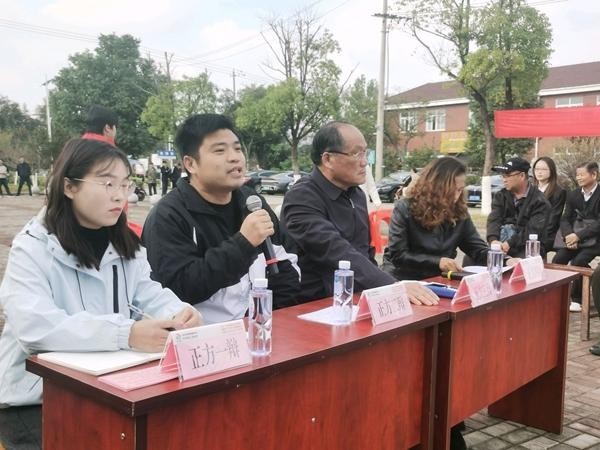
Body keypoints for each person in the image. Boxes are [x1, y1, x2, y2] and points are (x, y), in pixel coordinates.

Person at [0, 138, 201, 448]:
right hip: (36, 398)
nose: (120, 195)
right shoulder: (33, 246)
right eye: (108, 183)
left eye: (125, 184)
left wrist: (180, 314)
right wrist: (126, 334)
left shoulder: (125, 244)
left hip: (108, 388)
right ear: (69, 187)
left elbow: (148, 292)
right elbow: (34, 327)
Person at [142, 114, 301, 324]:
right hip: (202, 335)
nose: (234, 157)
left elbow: (286, 265)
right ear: (191, 164)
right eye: (220, 150)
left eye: (237, 148)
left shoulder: (252, 202)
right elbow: (178, 289)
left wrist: (268, 319)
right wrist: (243, 244)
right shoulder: (168, 216)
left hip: (261, 327)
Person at [281, 121, 438, 306]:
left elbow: (365, 254)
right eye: (356, 154)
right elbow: (335, 251)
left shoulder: (356, 194)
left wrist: (385, 290)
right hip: (314, 305)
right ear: (328, 159)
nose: (364, 162)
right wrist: (391, 286)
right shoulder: (302, 197)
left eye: (365, 153)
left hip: (358, 299)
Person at [382, 157, 489, 280]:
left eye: (460, 190)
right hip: (402, 278)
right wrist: (438, 262)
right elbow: (398, 255)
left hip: (439, 278)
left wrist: (503, 259)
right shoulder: (405, 208)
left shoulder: (459, 212)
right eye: (450, 191)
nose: (455, 197)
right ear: (435, 187)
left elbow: (477, 249)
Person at [553, 161, 600, 312]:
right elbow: (565, 218)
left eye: (581, 174)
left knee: (578, 261)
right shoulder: (573, 194)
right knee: (558, 258)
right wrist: (569, 236)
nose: (578, 177)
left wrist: (578, 236)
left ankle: (577, 299)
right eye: (577, 175)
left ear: (594, 175)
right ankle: (558, 296)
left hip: (596, 240)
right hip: (574, 237)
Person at [487, 157, 550, 259]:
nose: (504, 179)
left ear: (522, 176)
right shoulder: (501, 196)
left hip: (526, 248)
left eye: (508, 175)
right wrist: (493, 240)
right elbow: (494, 219)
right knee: (472, 258)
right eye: (503, 176)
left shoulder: (540, 201)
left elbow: (532, 230)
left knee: (520, 263)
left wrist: (509, 243)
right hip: (501, 245)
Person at [532, 156, 566, 252]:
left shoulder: (559, 192)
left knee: (533, 248)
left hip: (548, 234)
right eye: (537, 169)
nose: (539, 172)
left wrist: (537, 233)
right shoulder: (531, 190)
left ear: (551, 171)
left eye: (543, 169)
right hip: (530, 232)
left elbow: (554, 219)